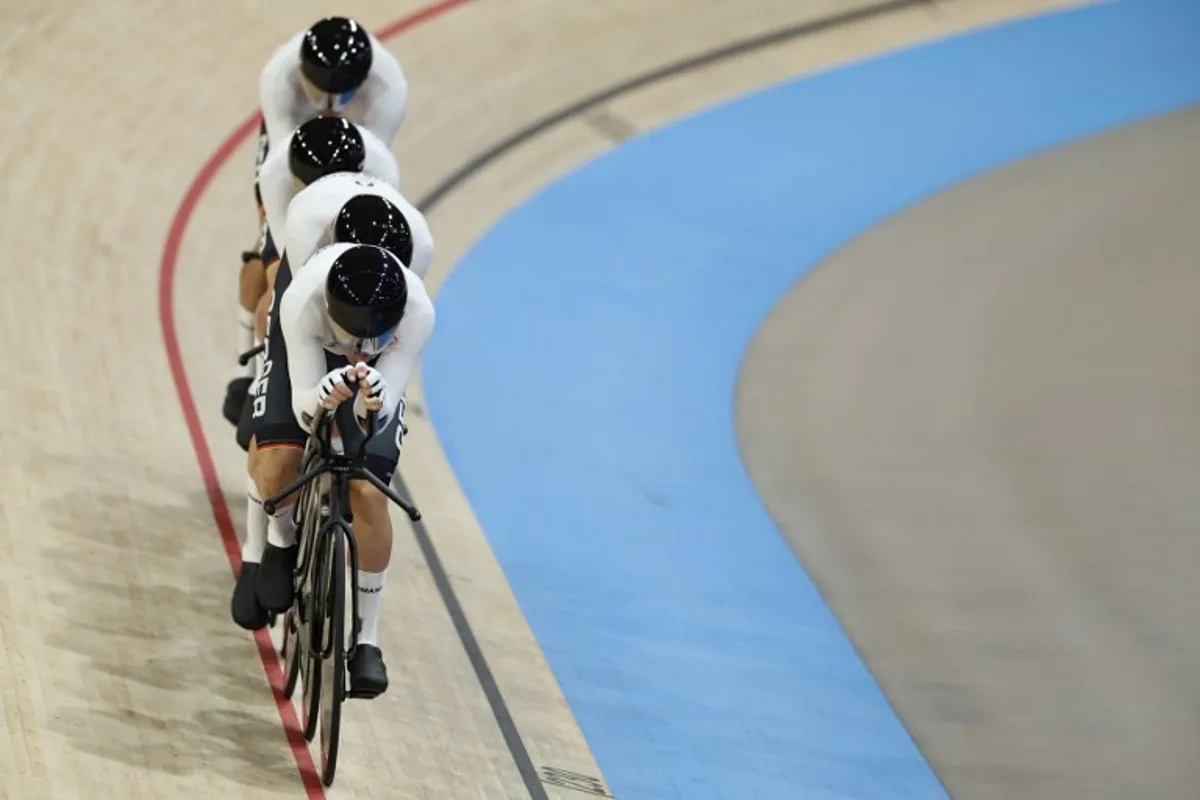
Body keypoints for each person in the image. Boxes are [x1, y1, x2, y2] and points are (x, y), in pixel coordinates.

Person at [232, 242, 435, 699]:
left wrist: (374, 400)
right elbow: (303, 405)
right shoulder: (302, 299)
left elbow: (380, 418)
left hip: (380, 369)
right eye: (351, 337)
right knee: (282, 453)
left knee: (369, 490)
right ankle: (278, 544)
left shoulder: (418, 313)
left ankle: (367, 641)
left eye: (371, 341)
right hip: (306, 355)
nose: (359, 350)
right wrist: (320, 396)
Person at [229, 15, 408, 426]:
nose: (329, 104)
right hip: (298, 152)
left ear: (361, 84)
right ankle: (248, 377)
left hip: (354, 160)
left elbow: (370, 188)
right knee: (272, 267)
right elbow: (279, 167)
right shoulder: (279, 77)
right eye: (320, 92)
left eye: (342, 93)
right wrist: (280, 259)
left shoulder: (389, 90)